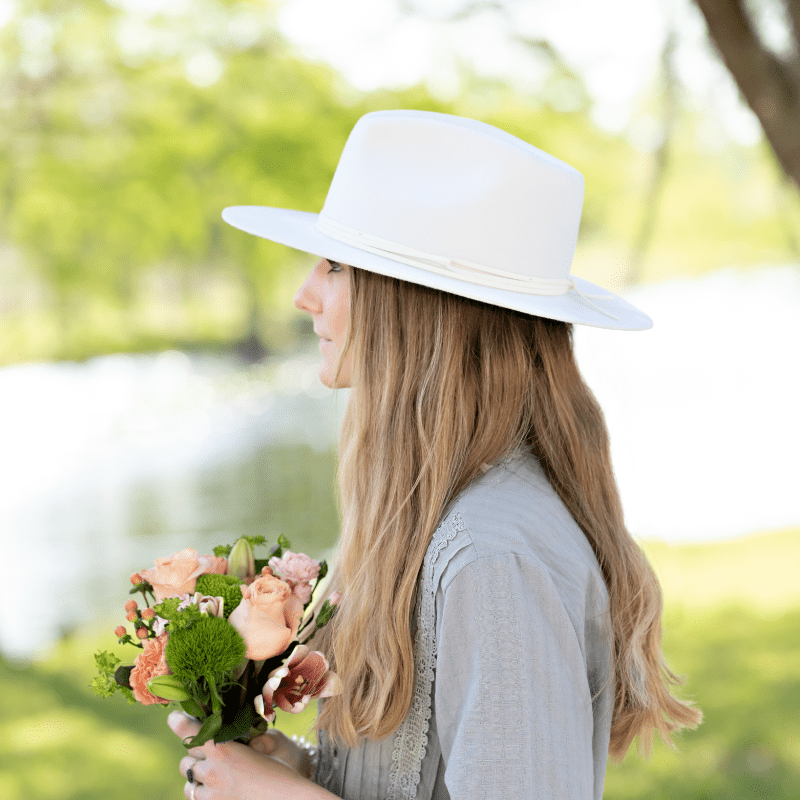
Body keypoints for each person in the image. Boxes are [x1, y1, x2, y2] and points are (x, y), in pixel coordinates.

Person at [168, 109, 701, 800]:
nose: (305, 295)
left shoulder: (490, 556)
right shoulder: (435, 518)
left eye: (334, 265)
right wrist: (286, 766)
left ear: (412, 308)